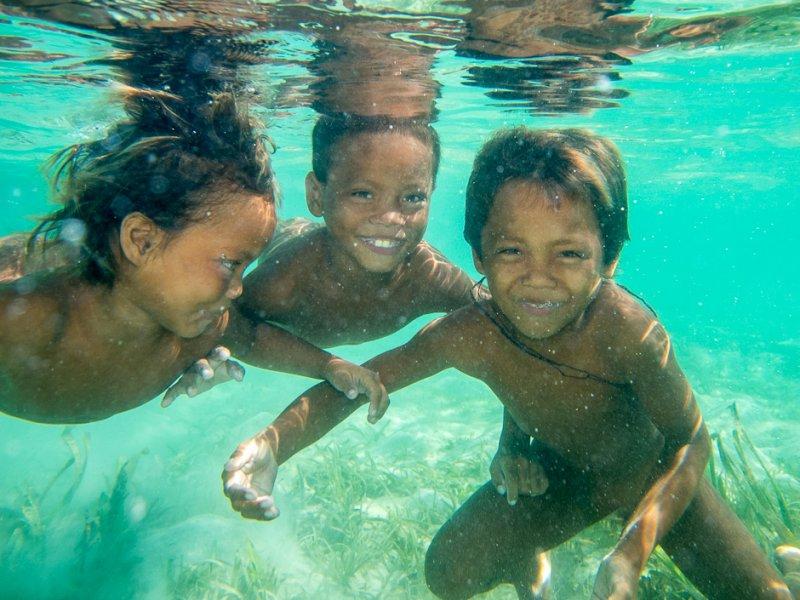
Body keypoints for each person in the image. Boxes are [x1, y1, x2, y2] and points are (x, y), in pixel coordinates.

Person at [222, 127, 797, 599]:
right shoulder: (471, 331)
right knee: (448, 574)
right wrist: (274, 444)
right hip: (560, 479)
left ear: (612, 257)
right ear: (477, 254)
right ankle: (533, 560)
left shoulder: (627, 330)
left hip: (651, 480)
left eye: (569, 254)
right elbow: (361, 383)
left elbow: (691, 441)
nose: (537, 277)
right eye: (511, 250)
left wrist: (632, 550)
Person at [0, 87, 383, 424]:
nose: (238, 289)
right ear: (142, 241)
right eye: (231, 263)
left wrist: (328, 365)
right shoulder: (24, 320)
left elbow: (251, 337)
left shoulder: (196, 329)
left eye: (245, 266)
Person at [232, 112, 474, 349]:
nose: (390, 217)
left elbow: (497, 312)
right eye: (363, 194)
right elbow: (224, 327)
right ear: (316, 195)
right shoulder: (282, 283)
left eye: (413, 197)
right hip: (288, 236)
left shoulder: (429, 276)